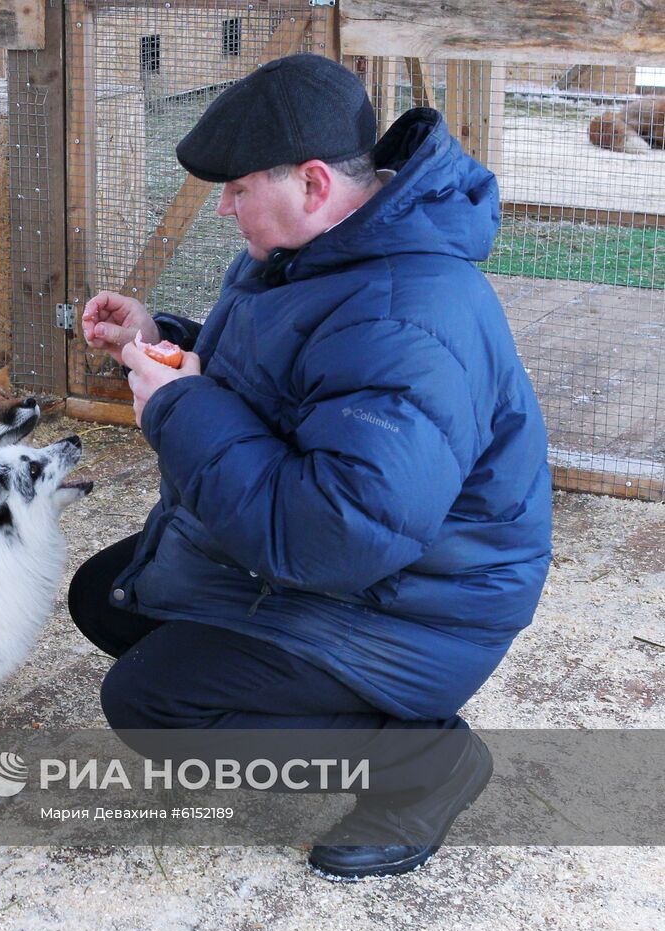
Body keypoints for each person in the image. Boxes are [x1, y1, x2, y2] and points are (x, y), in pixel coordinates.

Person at [70, 53, 552, 880]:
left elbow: (335, 534)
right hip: (362, 569)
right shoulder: (316, 252)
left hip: (415, 605)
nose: (225, 207)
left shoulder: (409, 313)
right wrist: (162, 345)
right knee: (110, 598)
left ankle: (423, 765)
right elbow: (280, 380)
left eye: (238, 188)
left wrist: (177, 408)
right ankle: (289, 703)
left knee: (148, 703)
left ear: (316, 184)